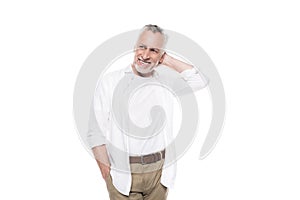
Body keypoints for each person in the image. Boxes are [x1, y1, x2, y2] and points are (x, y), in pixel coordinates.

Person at [87, 24, 209, 200]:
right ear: (134, 47)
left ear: (161, 54)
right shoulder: (111, 82)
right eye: (142, 47)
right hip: (123, 174)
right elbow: (95, 131)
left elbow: (200, 80)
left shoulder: (165, 82)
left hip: (159, 174)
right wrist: (106, 171)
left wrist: (167, 60)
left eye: (153, 50)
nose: (145, 55)